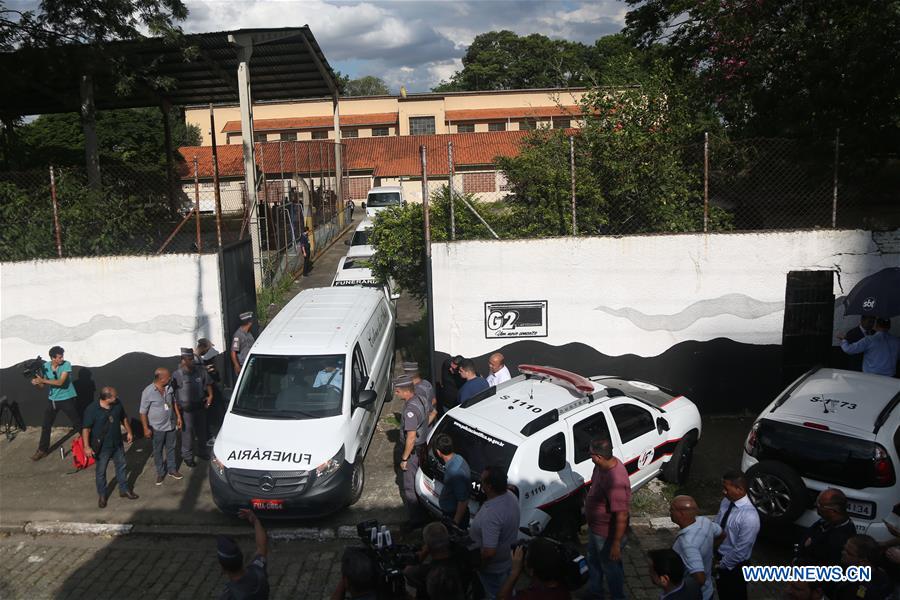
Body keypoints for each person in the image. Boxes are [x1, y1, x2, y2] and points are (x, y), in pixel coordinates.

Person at [584, 437, 630, 600]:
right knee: (594, 560)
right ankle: (595, 592)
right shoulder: (600, 467)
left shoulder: (616, 479)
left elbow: (622, 514)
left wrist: (616, 544)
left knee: (611, 568)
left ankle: (618, 597)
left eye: (591, 454)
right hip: (595, 529)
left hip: (606, 535)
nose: (590, 457)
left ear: (598, 456)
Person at [82, 386, 138, 508]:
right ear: (107, 398)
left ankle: (124, 490)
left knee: (122, 465)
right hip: (102, 447)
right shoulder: (92, 410)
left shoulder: (117, 404)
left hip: (117, 443)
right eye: (114, 396)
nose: (117, 398)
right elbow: (86, 429)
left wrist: (129, 432)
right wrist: (86, 447)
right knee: (101, 471)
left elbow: (123, 417)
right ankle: (102, 495)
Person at [470, 465, 520, 599]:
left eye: (482, 481)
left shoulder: (492, 515)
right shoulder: (510, 496)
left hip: (493, 571)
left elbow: (489, 552)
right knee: (508, 591)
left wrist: (479, 566)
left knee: (496, 595)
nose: (480, 483)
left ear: (490, 486)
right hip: (506, 562)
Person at [713, 470, 760, 600]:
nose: (723, 492)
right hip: (719, 557)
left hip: (734, 566)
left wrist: (721, 565)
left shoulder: (749, 516)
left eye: (726, 488)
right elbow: (718, 525)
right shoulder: (726, 501)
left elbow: (741, 550)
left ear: (739, 489)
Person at [31, 345, 82, 461]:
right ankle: (42, 450)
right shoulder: (45, 366)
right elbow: (42, 386)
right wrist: (37, 381)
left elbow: (60, 382)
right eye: (59, 357)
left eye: (62, 356)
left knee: (77, 423)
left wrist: (43, 380)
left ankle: (91, 445)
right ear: (52, 358)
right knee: (46, 425)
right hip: (53, 400)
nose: (62, 359)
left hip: (67, 398)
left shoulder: (66, 365)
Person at [670, 495, 721, 600]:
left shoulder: (687, 543)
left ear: (681, 513)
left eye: (671, 509)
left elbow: (700, 579)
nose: (669, 512)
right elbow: (722, 534)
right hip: (708, 591)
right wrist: (709, 551)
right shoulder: (704, 521)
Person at [139, 368, 183, 485]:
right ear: (161, 378)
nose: (170, 378)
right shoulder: (148, 392)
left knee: (171, 448)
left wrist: (178, 416)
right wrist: (145, 428)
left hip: (171, 424)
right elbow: (143, 412)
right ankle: (160, 472)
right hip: (157, 428)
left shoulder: (169, 388)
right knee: (158, 450)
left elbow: (173, 402)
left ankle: (172, 470)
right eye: (168, 377)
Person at [172, 348, 213, 468]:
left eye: (193, 359)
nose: (192, 361)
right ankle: (187, 457)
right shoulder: (177, 375)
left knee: (202, 432)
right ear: (183, 360)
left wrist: (210, 396)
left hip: (200, 406)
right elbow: (172, 394)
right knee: (187, 434)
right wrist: (177, 413)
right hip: (186, 410)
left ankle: (202, 452)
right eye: (189, 359)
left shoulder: (200, 371)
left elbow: (208, 383)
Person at [397, 375, 429, 526]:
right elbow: (432, 413)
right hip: (422, 447)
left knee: (409, 487)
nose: (396, 394)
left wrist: (404, 459)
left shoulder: (410, 409)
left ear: (405, 392)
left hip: (413, 452)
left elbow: (410, 437)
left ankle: (416, 520)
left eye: (397, 391)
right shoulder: (421, 397)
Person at [217, 508, 270, 600]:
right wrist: (256, 521)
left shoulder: (228, 595)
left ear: (223, 570)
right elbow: (262, 547)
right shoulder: (258, 571)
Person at [795, 488, 856, 567]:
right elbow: (804, 542)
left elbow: (821, 562)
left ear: (832, 511)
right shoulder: (825, 522)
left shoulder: (842, 536)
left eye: (819, 505)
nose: (816, 506)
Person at [404, 522, 464, 599]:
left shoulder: (425, 572)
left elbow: (407, 571)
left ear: (427, 546)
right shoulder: (461, 564)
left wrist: (423, 553)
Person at [498, 538, 571, 599]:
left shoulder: (529, 596)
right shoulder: (563, 586)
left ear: (531, 571)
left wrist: (514, 573)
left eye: (526, 559)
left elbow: (502, 598)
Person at [834, 535, 893, 600]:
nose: (843, 552)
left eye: (848, 553)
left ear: (863, 561)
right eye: (844, 548)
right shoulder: (880, 573)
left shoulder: (855, 589)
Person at [434, 433, 471, 528]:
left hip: (453, 515)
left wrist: (455, 524)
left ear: (438, 452)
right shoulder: (458, 458)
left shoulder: (455, 472)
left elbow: (463, 501)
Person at [231, 311, 255, 379]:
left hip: (250, 363)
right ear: (249, 322)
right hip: (242, 365)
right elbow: (233, 352)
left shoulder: (249, 333)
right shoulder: (238, 335)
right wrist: (237, 365)